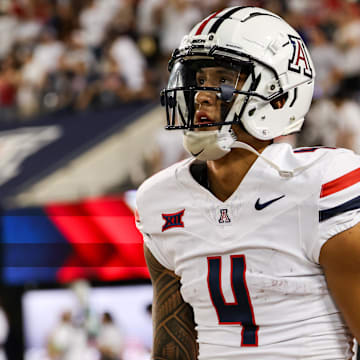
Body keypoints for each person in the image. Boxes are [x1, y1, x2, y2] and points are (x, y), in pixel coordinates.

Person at [135, 6, 360, 360]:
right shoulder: (160, 200)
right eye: (199, 78)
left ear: (280, 95)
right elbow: (172, 349)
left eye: (224, 78)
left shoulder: (320, 185)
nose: (202, 94)